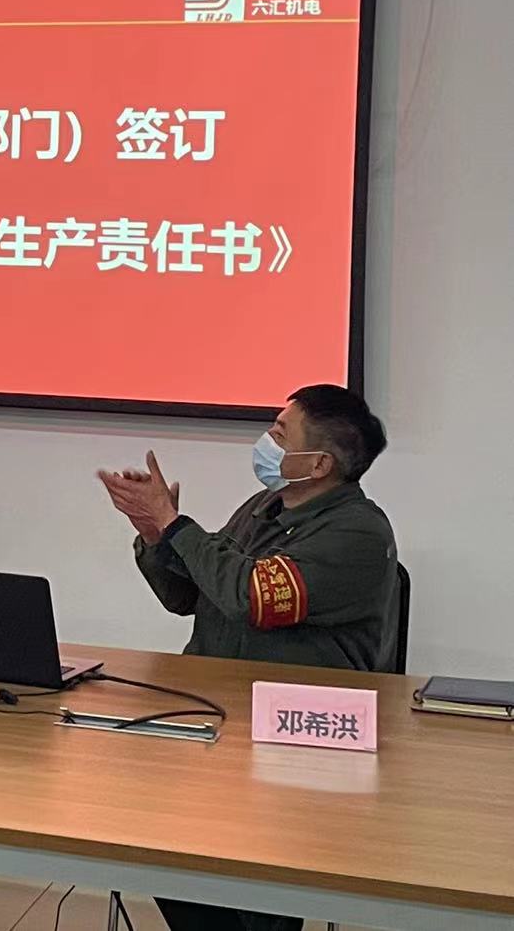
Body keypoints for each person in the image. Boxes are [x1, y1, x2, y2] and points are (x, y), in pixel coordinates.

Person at [97, 384, 397, 931]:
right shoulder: (263, 507)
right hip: (216, 712)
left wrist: (175, 526)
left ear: (320, 464)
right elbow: (187, 595)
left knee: (251, 881)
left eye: (280, 434)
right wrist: (155, 537)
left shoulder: (358, 531)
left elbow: (251, 596)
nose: (266, 441)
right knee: (148, 833)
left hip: (295, 736)